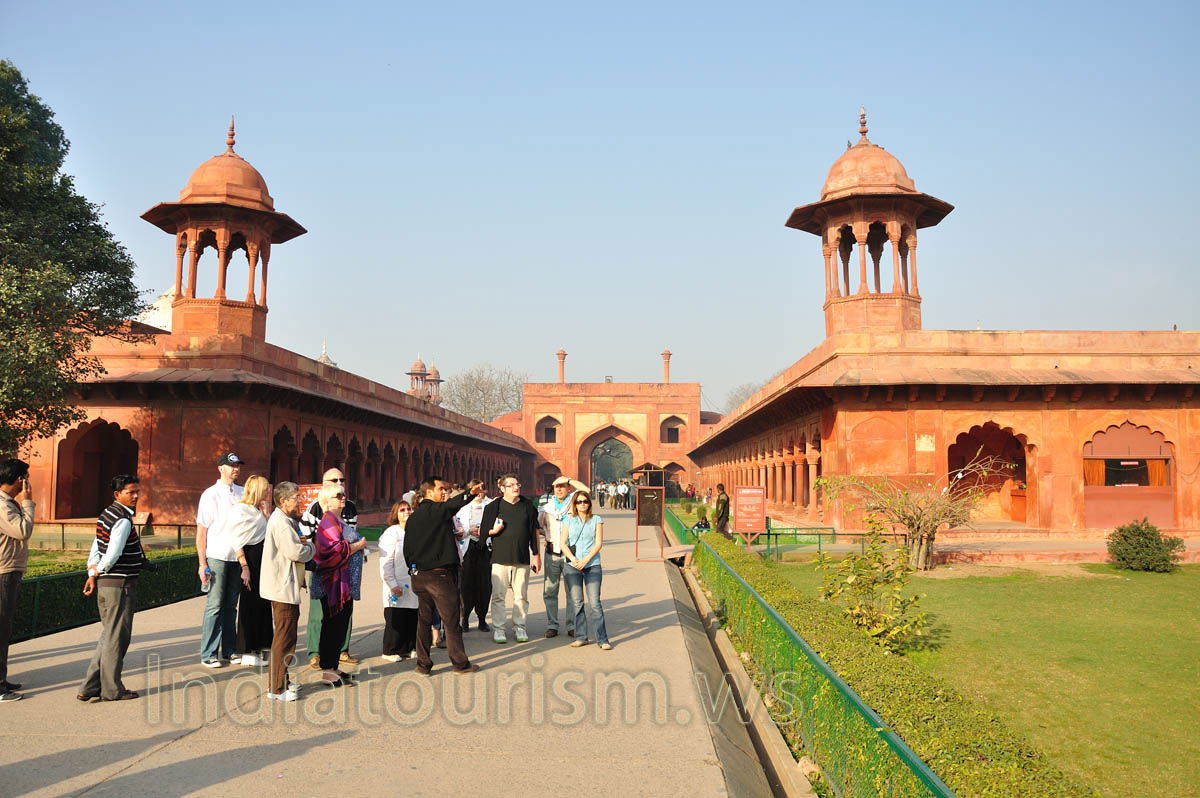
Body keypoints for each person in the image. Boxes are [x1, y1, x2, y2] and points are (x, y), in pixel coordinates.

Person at [403, 476, 482, 675]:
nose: (445, 492)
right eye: (441, 489)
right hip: (440, 577)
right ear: (429, 493)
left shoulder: (414, 517)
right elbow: (453, 505)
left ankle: (423, 665)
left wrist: (414, 573)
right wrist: (469, 493)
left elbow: (408, 550)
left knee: (424, 621)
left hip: (420, 577)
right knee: (451, 620)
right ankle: (460, 664)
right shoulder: (436, 511)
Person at [78, 475, 145, 701]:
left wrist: (92, 572)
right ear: (118, 495)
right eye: (130, 492)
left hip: (107, 585)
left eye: (137, 491)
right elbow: (113, 553)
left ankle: (89, 687)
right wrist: (97, 572)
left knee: (108, 636)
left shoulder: (106, 515)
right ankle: (112, 690)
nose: (136, 496)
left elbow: (96, 547)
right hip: (120, 585)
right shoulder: (123, 520)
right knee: (117, 638)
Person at [259, 481, 314, 701]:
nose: (300, 500)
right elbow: (295, 552)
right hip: (282, 586)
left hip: (283, 585)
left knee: (286, 636)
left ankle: (283, 680)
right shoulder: (281, 522)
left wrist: (301, 543)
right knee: (284, 638)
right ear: (283, 501)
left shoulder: (284, 520)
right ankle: (277, 688)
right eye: (296, 497)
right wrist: (311, 546)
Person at [300, 468, 359, 670]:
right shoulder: (314, 509)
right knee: (321, 614)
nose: (340, 482)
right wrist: (355, 547)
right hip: (324, 571)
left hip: (345, 572)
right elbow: (309, 542)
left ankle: (342, 650)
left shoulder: (349, 508)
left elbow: (350, 533)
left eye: (342, 479)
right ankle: (316, 653)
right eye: (335, 480)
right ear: (324, 484)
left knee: (343, 614)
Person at [311, 484, 367, 686]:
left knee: (339, 626)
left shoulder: (337, 520)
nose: (343, 498)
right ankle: (328, 671)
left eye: (344, 494)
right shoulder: (327, 522)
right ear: (327, 501)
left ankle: (333, 666)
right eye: (338, 495)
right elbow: (331, 553)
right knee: (333, 627)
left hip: (342, 585)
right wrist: (357, 546)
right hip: (333, 585)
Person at [197, 452, 245, 667]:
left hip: (237, 556)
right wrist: (202, 563)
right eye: (231, 465)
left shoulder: (242, 493)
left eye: (237, 465)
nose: (236, 468)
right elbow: (201, 532)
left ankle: (229, 650)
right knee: (215, 605)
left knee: (231, 606)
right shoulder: (211, 494)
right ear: (221, 468)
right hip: (216, 556)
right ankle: (208, 653)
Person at [481, 474, 541, 644]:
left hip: (521, 557)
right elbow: (484, 532)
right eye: (511, 485)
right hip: (500, 557)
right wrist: (494, 531)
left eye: (517, 484)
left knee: (521, 595)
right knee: (498, 596)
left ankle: (519, 627)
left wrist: (536, 555)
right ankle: (499, 629)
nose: (516, 488)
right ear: (502, 488)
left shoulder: (527, 505)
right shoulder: (494, 506)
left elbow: (533, 532)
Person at [228, 475, 274, 667]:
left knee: (262, 605)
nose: (268, 492)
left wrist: (264, 512)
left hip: (262, 561)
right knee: (249, 605)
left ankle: (261, 646)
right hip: (251, 560)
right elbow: (236, 539)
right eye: (265, 489)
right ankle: (247, 650)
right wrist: (244, 566)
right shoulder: (241, 510)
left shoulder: (257, 510)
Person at [0, 458, 34, 702]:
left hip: (8, 570)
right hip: (4, 572)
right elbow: (22, 530)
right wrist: (29, 503)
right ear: (18, 479)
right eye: (25, 477)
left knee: (5, 627)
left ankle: (2, 678)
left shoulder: (7, 503)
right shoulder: (3, 506)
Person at [563, 491, 611, 650]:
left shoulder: (596, 520)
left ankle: (602, 639)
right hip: (572, 566)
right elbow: (563, 543)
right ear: (574, 505)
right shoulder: (568, 519)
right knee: (577, 603)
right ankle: (581, 637)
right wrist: (574, 560)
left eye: (585, 501)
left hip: (592, 565)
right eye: (579, 502)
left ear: (589, 503)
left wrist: (585, 560)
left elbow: (598, 543)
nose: (582, 504)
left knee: (595, 603)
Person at [538, 476, 580, 638]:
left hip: (571, 553)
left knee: (572, 591)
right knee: (550, 591)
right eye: (556, 487)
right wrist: (548, 535)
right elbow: (538, 527)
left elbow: (586, 491)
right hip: (552, 553)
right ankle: (552, 624)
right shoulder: (546, 508)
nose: (559, 489)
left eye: (563, 487)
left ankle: (571, 625)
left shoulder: (575, 503)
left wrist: (569, 480)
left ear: (568, 488)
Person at [378, 501, 417, 661]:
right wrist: (392, 584)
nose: (406, 512)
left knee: (411, 616)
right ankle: (390, 650)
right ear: (396, 514)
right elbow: (385, 563)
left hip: (413, 581)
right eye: (402, 510)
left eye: (408, 509)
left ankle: (408, 648)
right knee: (396, 618)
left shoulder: (415, 531)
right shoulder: (391, 533)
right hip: (396, 582)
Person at [453, 480, 492, 632]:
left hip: (484, 548)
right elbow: (456, 529)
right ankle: (465, 618)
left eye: (482, 490)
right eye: (476, 490)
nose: (479, 493)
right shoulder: (461, 509)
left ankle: (482, 618)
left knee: (484, 585)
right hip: (467, 549)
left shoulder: (490, 507)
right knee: (466, 585)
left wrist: (485, 531)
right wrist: (469, 531)